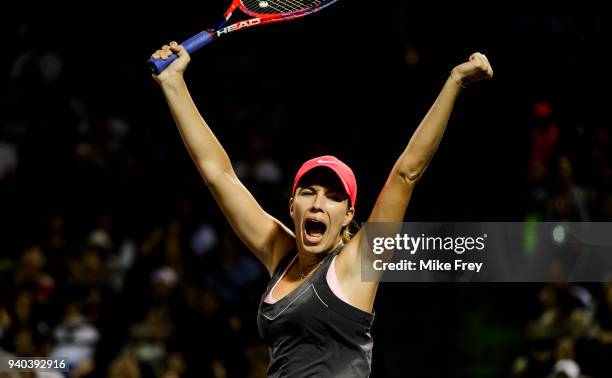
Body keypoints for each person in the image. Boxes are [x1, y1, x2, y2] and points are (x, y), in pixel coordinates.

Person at [151, 41, 493, 376]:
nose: (317, 203)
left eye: (333, 196)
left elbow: (407, 172)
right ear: (292, 206)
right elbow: (219, 175)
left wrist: (454, 83)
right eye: (308, 192)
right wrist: (174, 84)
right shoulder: (279, 253)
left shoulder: (358, 261)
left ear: (348, 215)